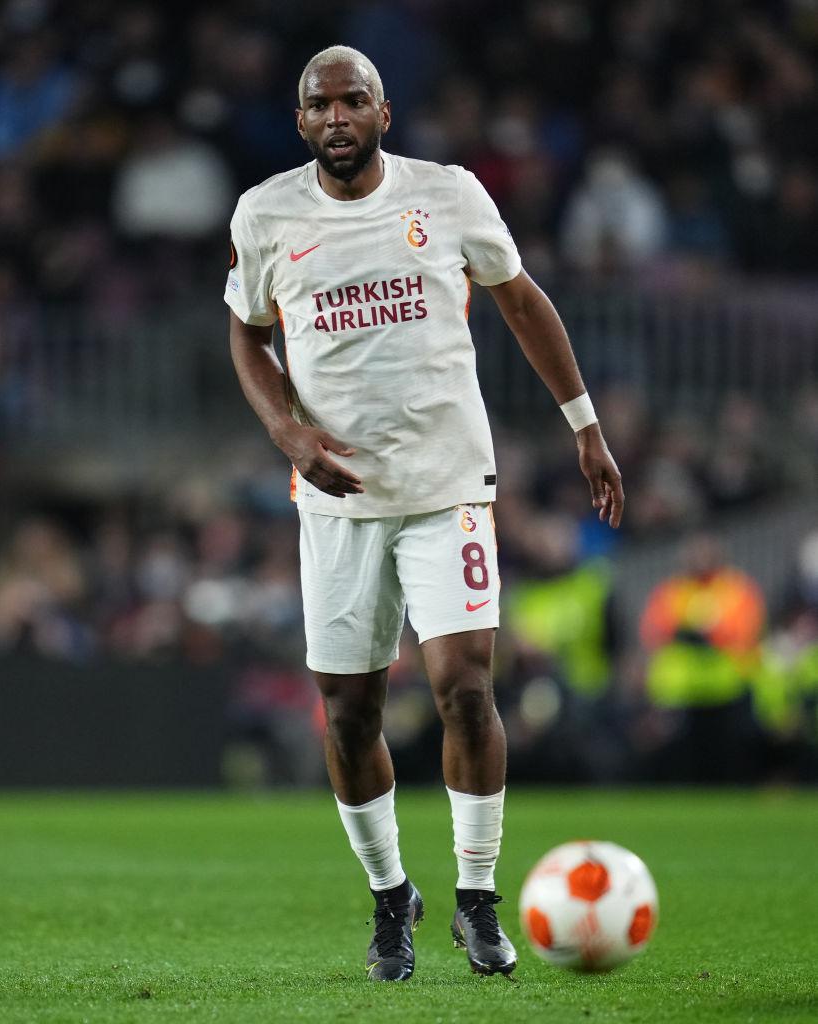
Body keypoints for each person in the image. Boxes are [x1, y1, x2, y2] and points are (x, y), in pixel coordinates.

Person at [225, 45, 623, 982]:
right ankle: (390, 897)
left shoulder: (447, 195)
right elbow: (246, 335)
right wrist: (288, 432)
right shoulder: (265, 213)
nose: (337, 116)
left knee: (466, 688)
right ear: (300, 121)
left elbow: (520, 299)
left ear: (383, 112)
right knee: (348, 714)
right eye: (320, 104)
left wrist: (585, 426)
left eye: (353, 100)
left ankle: (477, 899)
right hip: (339, 502)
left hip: (448, 487)